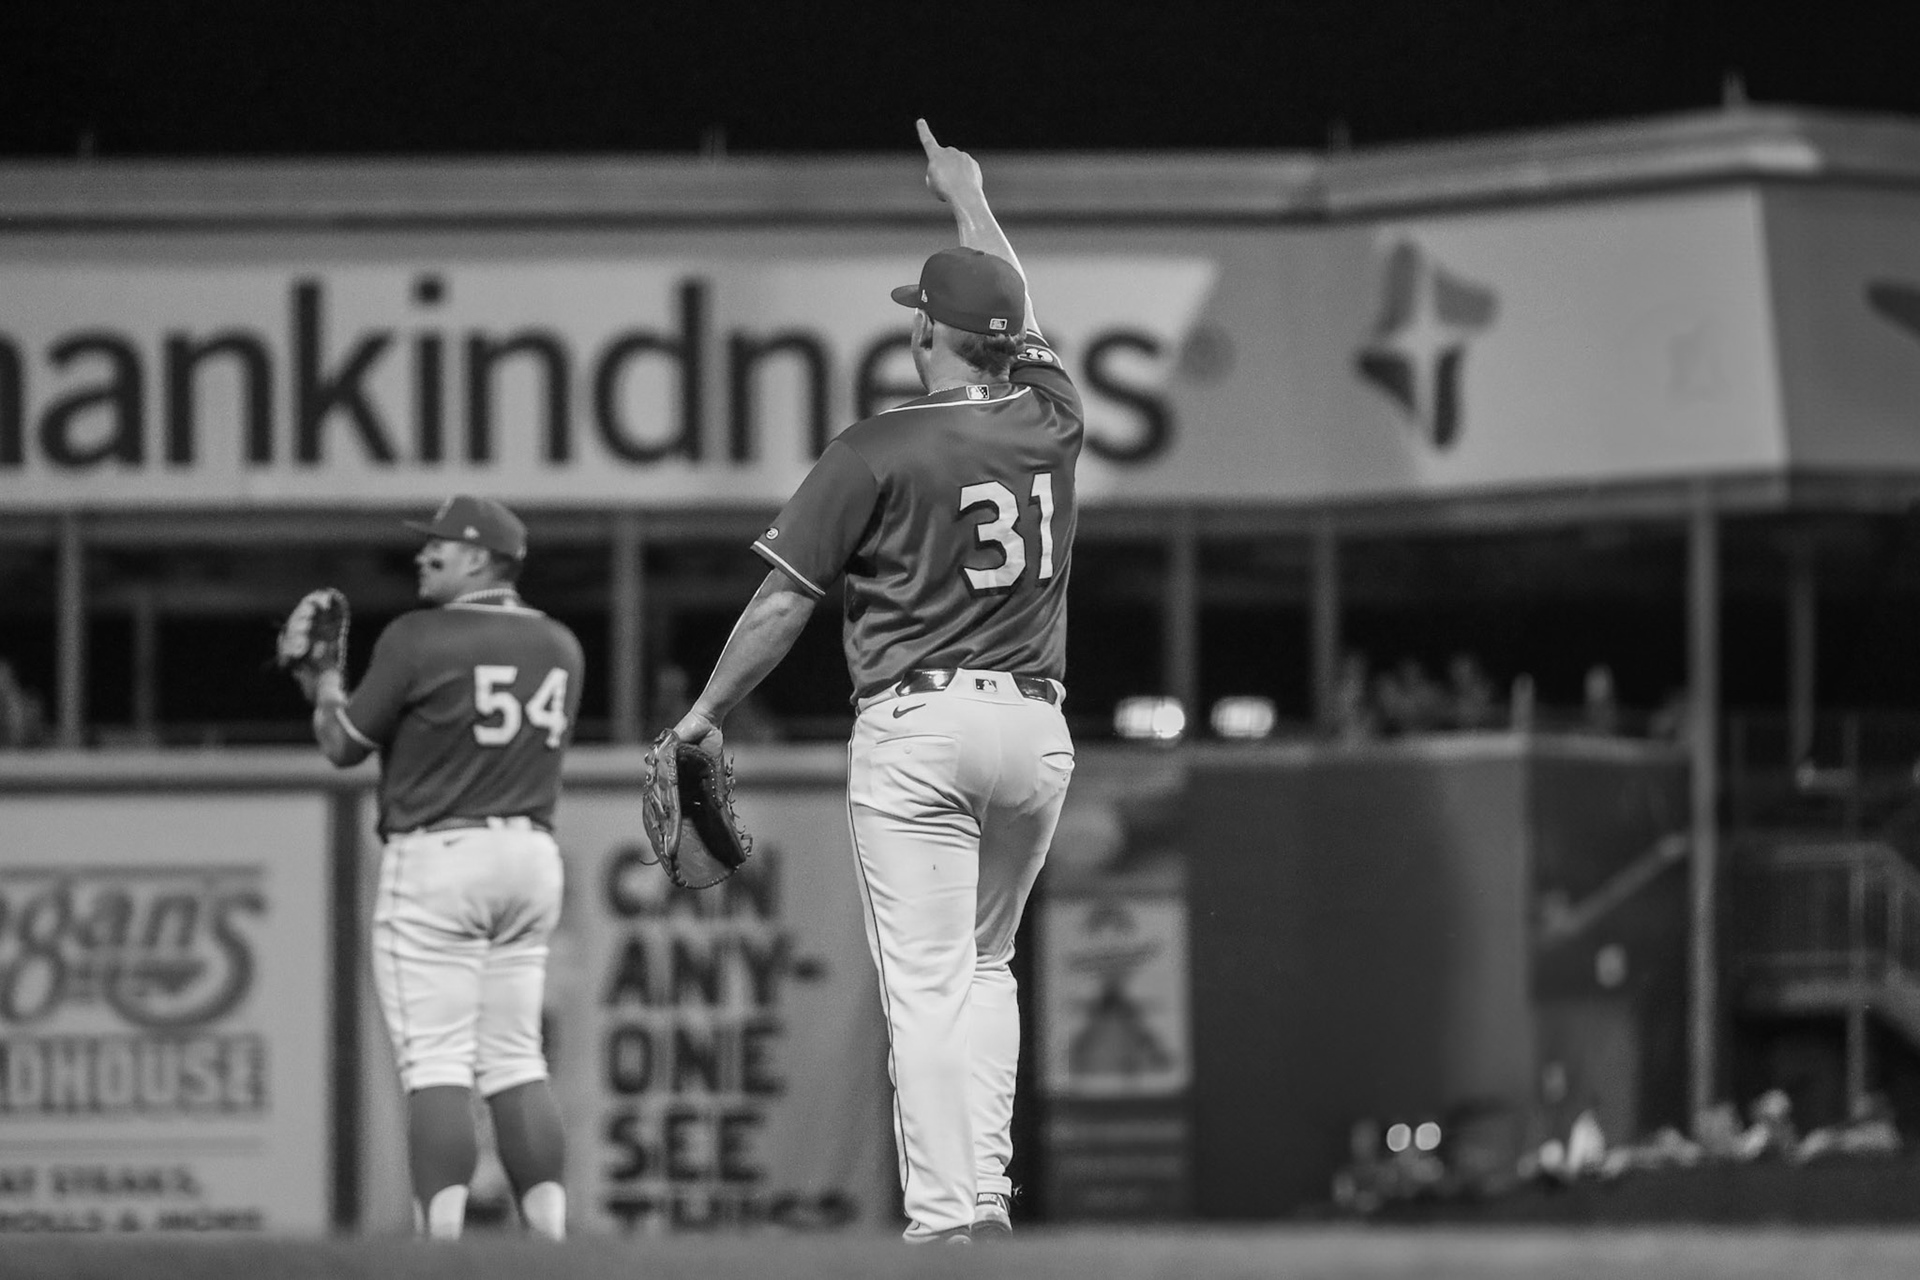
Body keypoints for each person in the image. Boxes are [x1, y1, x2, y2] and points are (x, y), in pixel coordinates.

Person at [666, 119, 1080, 1243]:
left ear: (929, 333)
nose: (910, 320)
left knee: (929, 985)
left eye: (918, 309)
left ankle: (949, 1221)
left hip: (924, 726)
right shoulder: (1053, 417)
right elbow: (1019, 304)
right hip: (1035, 735)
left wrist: (704, 712)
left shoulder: (874, 449)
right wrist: (970, 197)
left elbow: (783, 602)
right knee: (986, 966)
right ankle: (983, 1195)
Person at [297, 494, 583, 1241]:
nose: (423, 556)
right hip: (530, 854)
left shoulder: (419, 637)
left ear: (484, 559)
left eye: (442, 547)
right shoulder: (561, 644)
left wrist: (321, 684)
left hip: (440, 855)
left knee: (437, 1062)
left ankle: (443, 1247)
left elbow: (342, 746)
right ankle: (551, 1238)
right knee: (517, 1058)